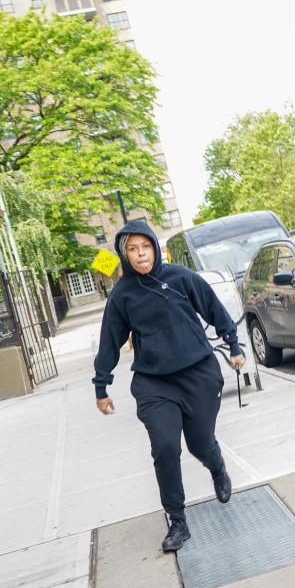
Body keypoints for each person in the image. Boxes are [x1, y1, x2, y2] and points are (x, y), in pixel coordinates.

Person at [92, 220, 246, 552]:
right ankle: (177, 520)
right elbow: (109, 341)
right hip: (154, 382)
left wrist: (233, 346)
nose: (139, 254)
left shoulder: (179, 277)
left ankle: (216, 465)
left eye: (144, 247)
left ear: (154, 248)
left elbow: (213, 308)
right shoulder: (122, 295)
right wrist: (101, 385)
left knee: (199, 444)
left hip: (198, 373)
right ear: (125, 254)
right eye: (132, 249)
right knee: (165, 448)